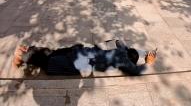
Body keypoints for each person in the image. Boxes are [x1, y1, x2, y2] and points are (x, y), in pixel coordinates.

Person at [13, 40, 157, 77]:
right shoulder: (123, 60)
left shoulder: (121, 47)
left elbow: (119, 41)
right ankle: (23, 57)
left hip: (81, 50)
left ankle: (29, 49)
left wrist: (145, 53)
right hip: (78, 62)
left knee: (53, 53)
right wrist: (147, 62)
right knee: (49, 63)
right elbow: (134, 71)